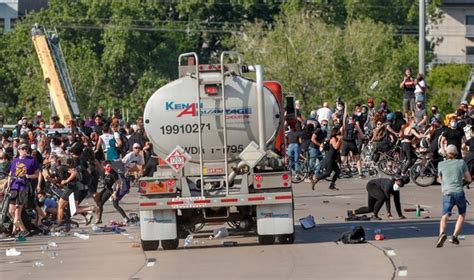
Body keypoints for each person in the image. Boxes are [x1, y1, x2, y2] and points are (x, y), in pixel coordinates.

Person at [436, 145, 471, 247]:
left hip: (447, 193)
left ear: (446, 153)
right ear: (456, 154)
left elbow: (439, 179)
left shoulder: (441, 164)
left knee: (445, 215)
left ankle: (441, 233)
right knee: (462, 214)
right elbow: (468, 179)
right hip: (459, 192)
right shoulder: (461, 163)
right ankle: (454, 236)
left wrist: (445, 184)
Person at [7, 143, 39, 237]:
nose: (25, 150)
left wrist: (28, 176)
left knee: (17, 211)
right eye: (23, 148)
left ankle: (15, 231)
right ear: (19, 150)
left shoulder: (32, 160)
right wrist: (8, 185)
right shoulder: (14, 160)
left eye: (27, 148)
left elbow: (37, 174)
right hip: (14, 187)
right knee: (11, 211)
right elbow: (10, 173)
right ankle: (22, 229)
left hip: (23, 187)